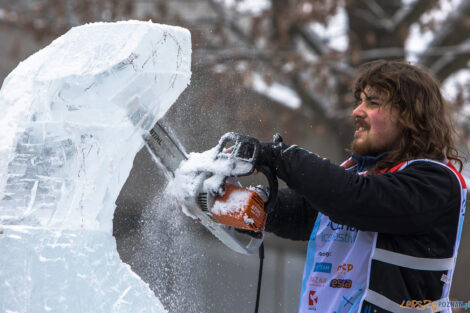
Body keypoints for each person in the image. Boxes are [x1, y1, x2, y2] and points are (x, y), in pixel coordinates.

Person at [251, 60, 466, 313]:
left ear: (410, 115)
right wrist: (250, 203)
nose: (356, 111)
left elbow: (355, 199)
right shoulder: (357, 173)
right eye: (359, 101)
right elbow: (307, 213)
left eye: (372, 103)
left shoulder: (436, 181)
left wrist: (278, 156)